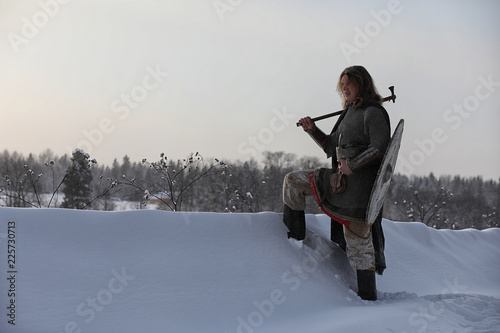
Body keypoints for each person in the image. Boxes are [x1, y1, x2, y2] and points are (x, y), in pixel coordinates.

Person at [282, 65, 391, 301]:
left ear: (361, 84)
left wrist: (352, 165)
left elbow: (380, 147)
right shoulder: (349, 112)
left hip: (359, 192)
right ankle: (294, 243)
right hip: (337, 183)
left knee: (359, 245)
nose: (344, 88)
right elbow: (331, 147)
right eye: (342, 84)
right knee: (293, 181)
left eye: (349, 83)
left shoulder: (373, 112)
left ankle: (368, 299)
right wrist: (312, 130)